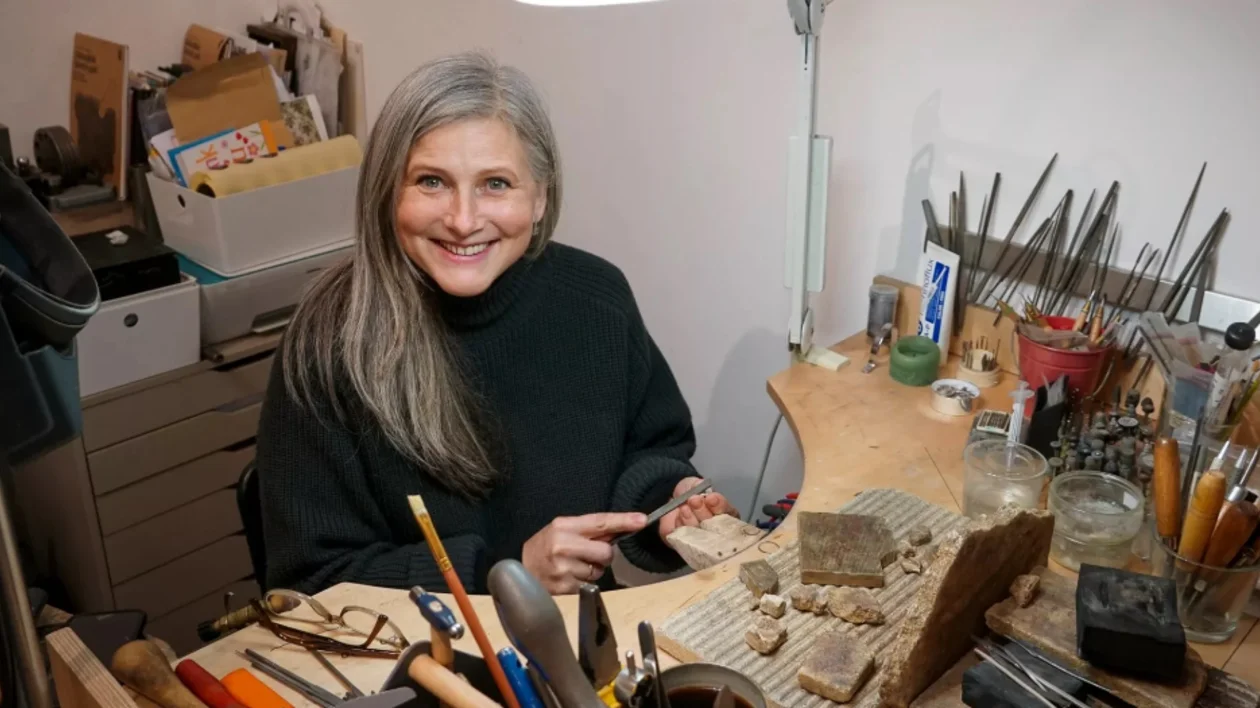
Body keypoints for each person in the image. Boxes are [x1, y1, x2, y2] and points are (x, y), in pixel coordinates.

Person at [257, 52, 738, 596]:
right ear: (386, 193)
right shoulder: (325, 344)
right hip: (422, 666)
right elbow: (310, 582)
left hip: (575, 643)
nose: (463, 220)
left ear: (540, 198)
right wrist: (504, 575)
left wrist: (667, 507)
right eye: (431, 181)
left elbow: (649, 449)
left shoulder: (597, 297)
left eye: (496, 184)